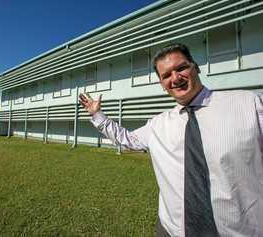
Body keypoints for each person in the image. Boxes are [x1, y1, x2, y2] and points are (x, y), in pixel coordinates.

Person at [79, 43, 263, 237]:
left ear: (196, 67)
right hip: (171, 230)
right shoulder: (157, 125)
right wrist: (97, 114)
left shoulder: (251, 104)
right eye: (166, 75)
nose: (175, 78)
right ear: (162, 84)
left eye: (181, 68)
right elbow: (126, 139)